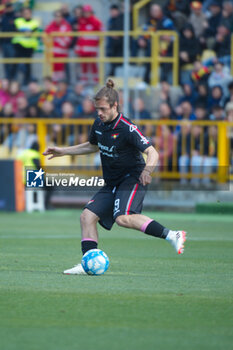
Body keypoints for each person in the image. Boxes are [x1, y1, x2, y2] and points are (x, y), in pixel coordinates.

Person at [43, 79, 186, 275]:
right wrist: (63, 151)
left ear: (114, 106)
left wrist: (147, 171)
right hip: (112, 181)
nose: (99, 113)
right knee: (86, 217)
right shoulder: (99, 124)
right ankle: (87, 263)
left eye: (102, 109)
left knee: (123, 218)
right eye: (97, 109)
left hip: (132, 177)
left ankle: (173, 235)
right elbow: (92, 145)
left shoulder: (127, 127)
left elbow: (153, 153)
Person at [74, 4, 102, 85]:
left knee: (93, 64)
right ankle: (84, 79)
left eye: (87, 12)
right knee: (84, 65)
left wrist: (97, 44)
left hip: (92, 48)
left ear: (91, 12)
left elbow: (101, 34)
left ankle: (95, 80)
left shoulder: (96, 21)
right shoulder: (82, 21)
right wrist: (78, 47)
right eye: (85, 12)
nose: (86, 13)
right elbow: (80, 35)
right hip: (83, 48)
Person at [12, 8, 39, 85]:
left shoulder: (34, 22)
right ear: (22, 14)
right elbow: (17, 29)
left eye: (28, 13)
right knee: (14, 64)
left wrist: (23, 31)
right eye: (24, 13)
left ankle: (26, 81)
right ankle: (13, 80)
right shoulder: (18, 21)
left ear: (30, 14)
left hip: (29, 47)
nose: (26, 14)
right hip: (19, 46)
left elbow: (33, 31)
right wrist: (26, 32)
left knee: (27, 65)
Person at [45, 10, 72, 82]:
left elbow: (68, 39)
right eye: (56, 16)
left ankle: (60, 85)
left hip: (62, 54)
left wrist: (57, 39)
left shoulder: (66, 26)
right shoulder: (51, 25)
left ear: (62, 17)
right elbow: (45, 37)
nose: (57, 18)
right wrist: (58, 38)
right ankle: (54, 85)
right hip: (52, 54)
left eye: (59, 16)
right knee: (53, 72)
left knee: (61, 73)